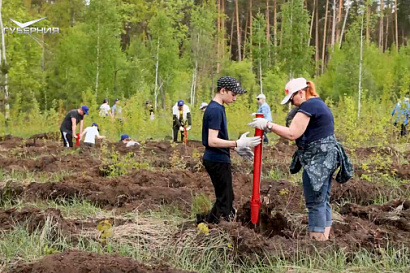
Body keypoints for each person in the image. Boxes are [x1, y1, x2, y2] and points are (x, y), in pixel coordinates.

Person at [249, 78, 353, 241]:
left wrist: (268, 124)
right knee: (322, 199)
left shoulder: (309, 106)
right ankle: (324, 239)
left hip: (319, 161)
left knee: (315, 201)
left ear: (301, 93)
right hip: (326, 157)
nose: (292, 102)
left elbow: (292, 133)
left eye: (293, 98)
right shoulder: (318, 103)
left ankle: (316, 241)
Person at [201, 76, 261, 224]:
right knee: (226, 199)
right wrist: (236, 143)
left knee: (225, 196)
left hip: (218, 158)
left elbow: (218, 137)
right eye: (233, 94)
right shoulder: (215, 110)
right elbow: (212, 140)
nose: (235, 98)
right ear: (223, 90)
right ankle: (222, 230)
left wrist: (235, 148)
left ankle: (208, 224)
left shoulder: (218, 108)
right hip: (216, 160)